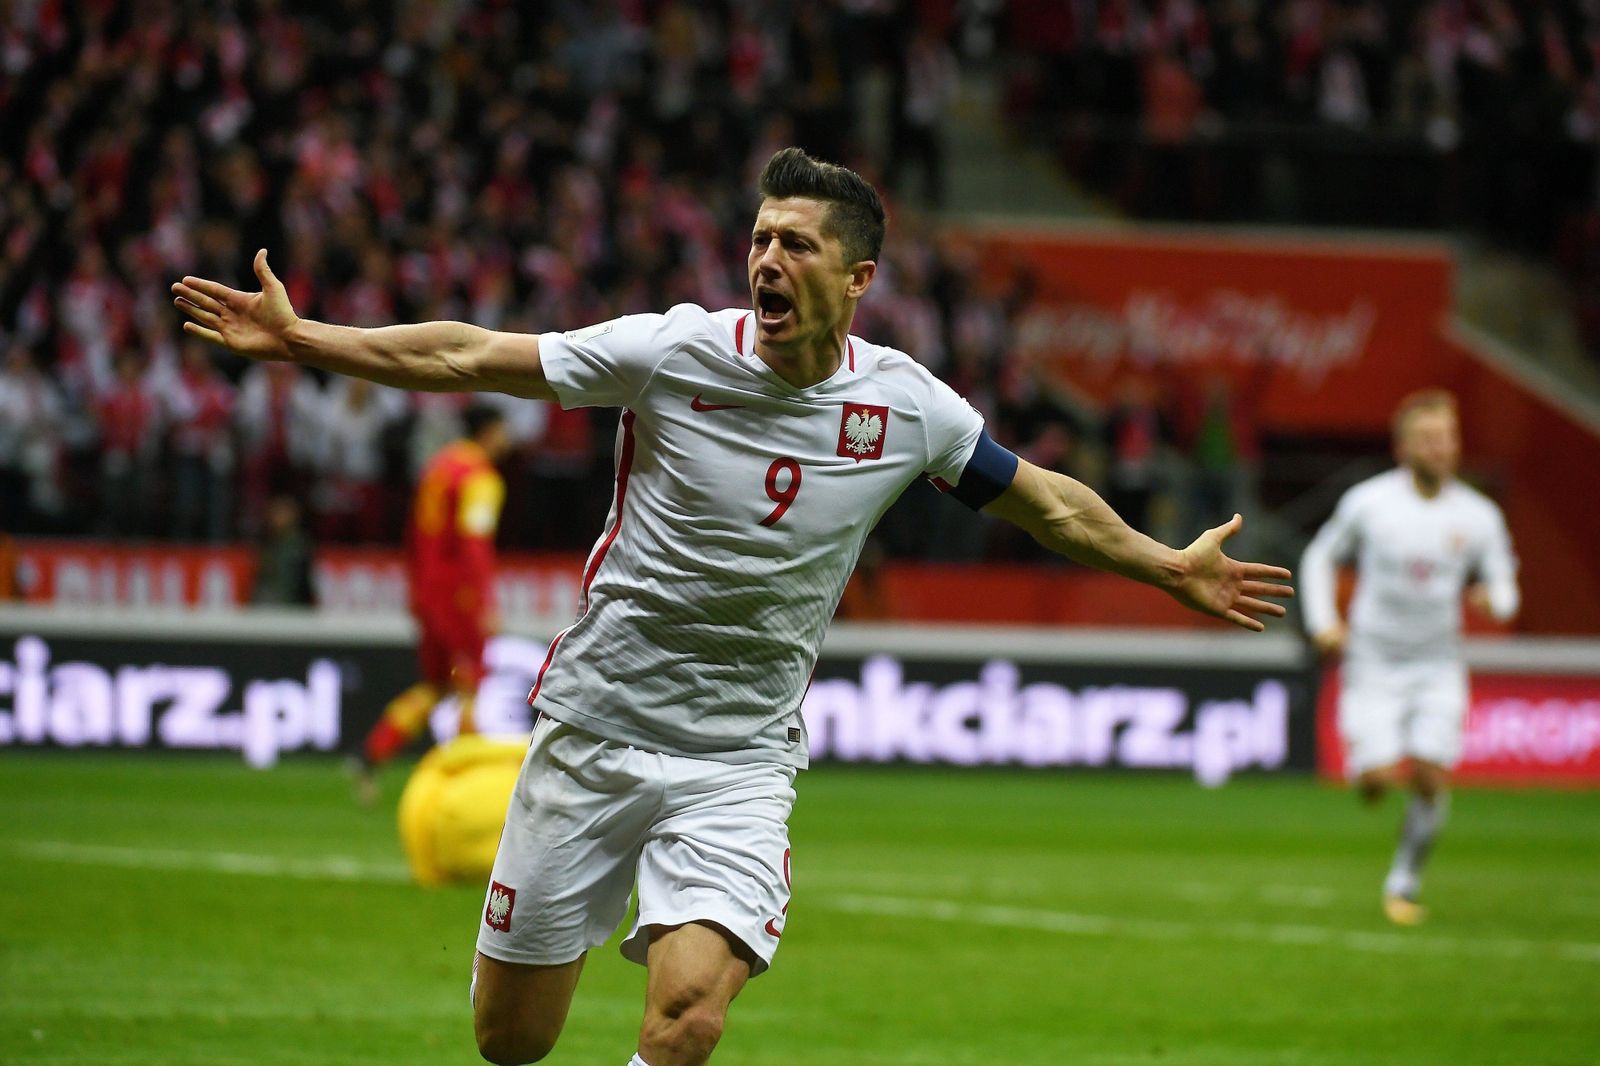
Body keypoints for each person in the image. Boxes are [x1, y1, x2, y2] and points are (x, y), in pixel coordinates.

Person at [173, 147, 1293, 1066]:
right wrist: (303, 339)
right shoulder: (672, 351)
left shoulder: (906, 407)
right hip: (595, 730)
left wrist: (1166, 566)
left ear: (856, 277)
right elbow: (471, 353)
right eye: (758, 237)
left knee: (689, 1017)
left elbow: (1046, 506)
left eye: (794, 242)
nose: (765, 257)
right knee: (509, 1040)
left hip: (740, 762)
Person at [1300, 389, 1519, 927]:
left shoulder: (1479, 515)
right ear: (1403, 447)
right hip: (1372, 662)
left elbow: (1506, 582)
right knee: (1377, 781)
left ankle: (1404, 879)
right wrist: (1323, 621)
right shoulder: (1370, 503)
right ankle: (1371, 776)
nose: (1439, 448)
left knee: (1428, 773)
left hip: (1438, 664)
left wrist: (1496, 600)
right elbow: (1319, 556)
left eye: (1446, 437)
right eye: (1427, 438)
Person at [358, 404, 510, 790]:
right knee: (470, 685)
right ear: (489, 433)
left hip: (427, 592)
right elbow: (474, 547)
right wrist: (485, 602)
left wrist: (416, 590)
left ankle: (374, 751)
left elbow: (413, 534)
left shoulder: (438, 467)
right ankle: (465, 779)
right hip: (459, 595)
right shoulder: (480, 478)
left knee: (438, 685)